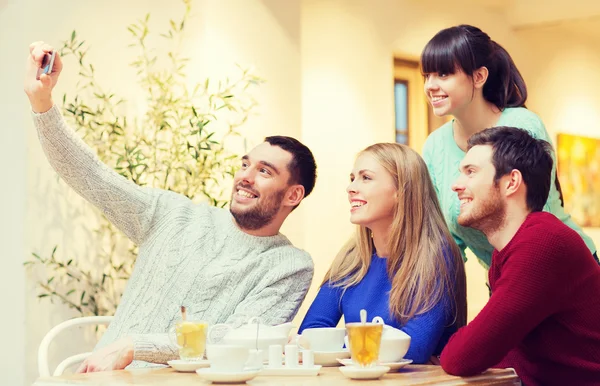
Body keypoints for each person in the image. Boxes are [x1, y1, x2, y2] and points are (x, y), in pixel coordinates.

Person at [24, 42, 317, 372]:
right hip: (103, 379)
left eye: (264, 171)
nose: (244, 177)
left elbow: (239, 340)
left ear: (293, 195)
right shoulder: (173, 214)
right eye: (245, 164)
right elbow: (92, 177)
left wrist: (138, 346)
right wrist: (42, 103)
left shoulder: (289, 266)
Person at [420, 24, 597, 270]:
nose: (430, 85)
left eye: (442, 74)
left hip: (565, 271)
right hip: (505, 278)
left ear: (479, 77)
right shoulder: (434, 146)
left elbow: (535, 226)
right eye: (426, 76)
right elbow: (447, 243)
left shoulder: (521, 125)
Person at [440, 127, 600, 385]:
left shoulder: (542, 243)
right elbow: (503, 351)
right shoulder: (507, 251)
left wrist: (467, 347)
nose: (456, 185)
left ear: (511, 182)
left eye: (470, 172)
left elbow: (461, 357)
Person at [298, 143, 467, 364]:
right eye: (352, 178)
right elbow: (309, 334)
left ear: (401, 191)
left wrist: (334, 349)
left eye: (366, 178)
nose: (351, 188)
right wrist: (364, 349)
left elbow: (413, 351)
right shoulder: (351, 257)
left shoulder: (436, 255)